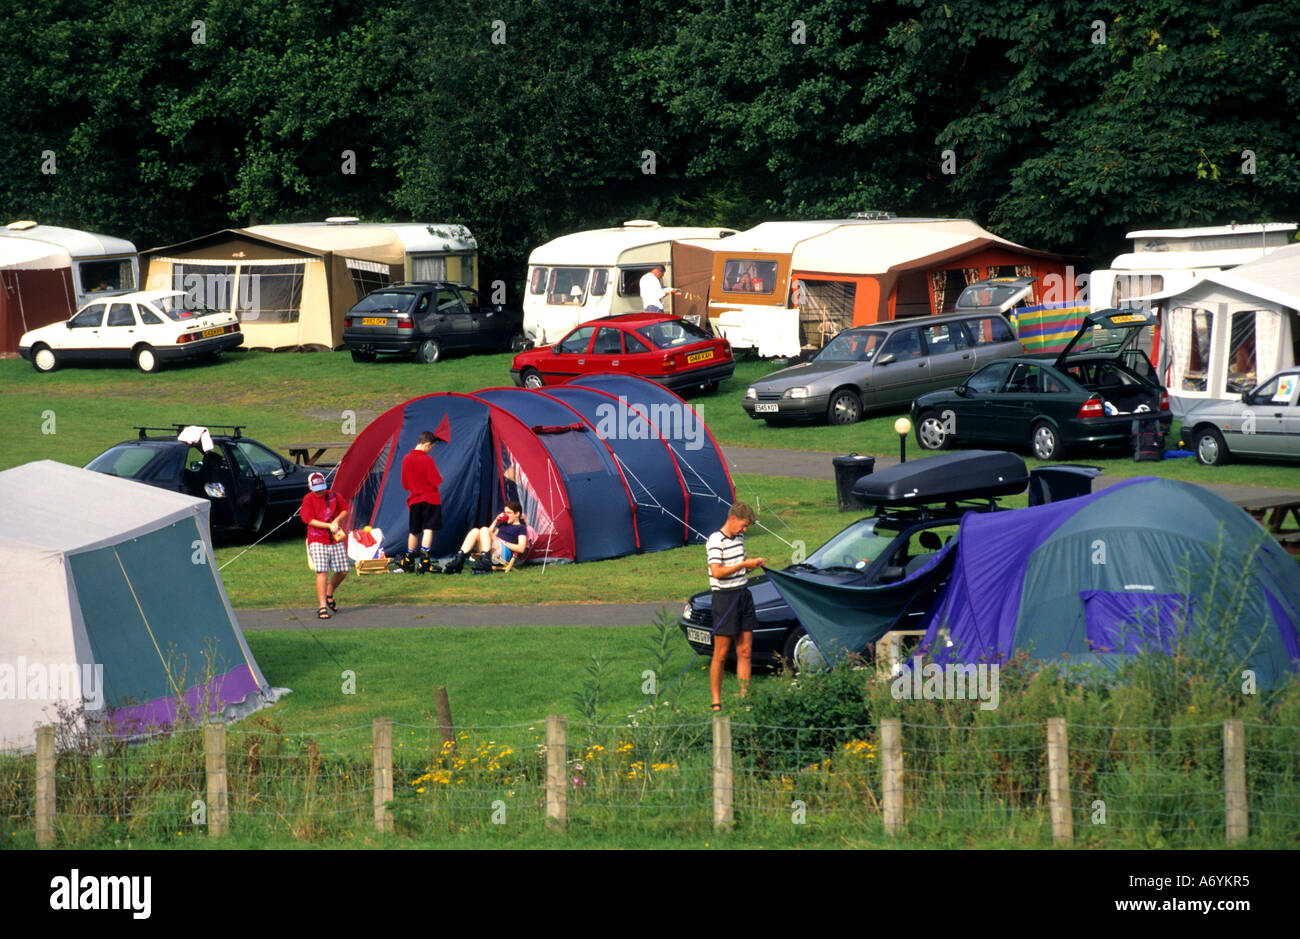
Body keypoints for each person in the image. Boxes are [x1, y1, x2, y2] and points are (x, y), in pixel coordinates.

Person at [705, 502, 764, 711]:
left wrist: (750, 566)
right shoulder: (715, 540)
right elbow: (718, 572)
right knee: (721, 654)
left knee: (745, 650)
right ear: (732, 519)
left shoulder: (739, 539)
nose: (744, 530)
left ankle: (744, 699)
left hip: (743, 595)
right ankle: (716, 701)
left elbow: (738, 569)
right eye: (743, 525)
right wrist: (742, 565)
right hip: (724, 598)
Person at [300, 471, 350, 619]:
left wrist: (337, 520)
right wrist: (327, 526)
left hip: (334, 538)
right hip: (316, 538)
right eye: (316, 489)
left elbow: (344, 509)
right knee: (322, 571)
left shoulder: (334, 496)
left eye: (321, 487)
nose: (320, 491)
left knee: (344, 570)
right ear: (310, 487)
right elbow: (308, 520)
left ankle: (330, 592)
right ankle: (322, 606)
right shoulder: (308, 499)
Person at [400, 431, 443, 574]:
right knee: (428, 529)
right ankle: (424, 561)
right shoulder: (427, 460)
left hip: (414, 500)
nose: (430, 451)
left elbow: (405, 484)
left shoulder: (406, 459)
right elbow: (436, 480)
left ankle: (409, 560)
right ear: (426, 444)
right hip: (430, 498)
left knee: (414, 531)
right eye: (431, 447)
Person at [444, 501, 529, 573]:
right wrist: (496, 521)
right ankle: (459, 559)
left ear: (517, 513)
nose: (506, 515)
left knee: (484, 529)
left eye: (509, 513)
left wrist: (502, 541)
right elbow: (486, 534)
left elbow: (521, 548)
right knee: (476, 531)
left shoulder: (521, 528)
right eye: (505, 512)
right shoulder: (503, 525)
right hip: (492, 551)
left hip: (503, 555)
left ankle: (485, 561)